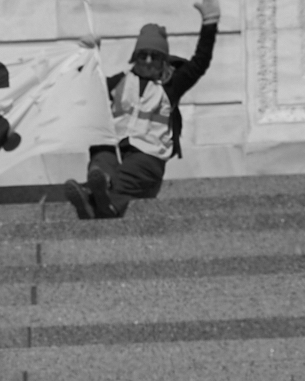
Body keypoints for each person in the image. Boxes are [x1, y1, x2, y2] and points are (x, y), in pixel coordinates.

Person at [67, 3, 219, 220]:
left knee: (128, 173)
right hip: (116, 148)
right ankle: (100, 200)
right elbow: (87, 89)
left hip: (148, 156)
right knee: (102, 156)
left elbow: (200, 61)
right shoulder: (118, 82)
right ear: (135, 57)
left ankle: (93, 196)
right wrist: (88, 55)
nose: (148, 61)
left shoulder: (171, 86)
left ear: (163, 60)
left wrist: (210, 21)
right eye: (143, 55)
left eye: (154, 56)